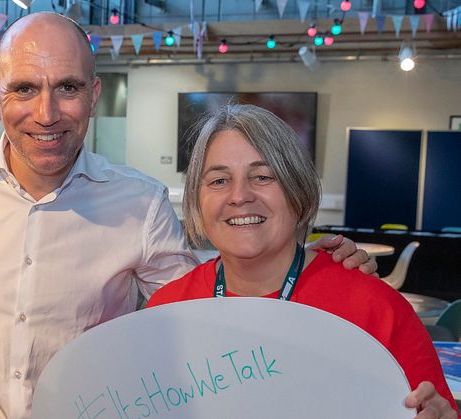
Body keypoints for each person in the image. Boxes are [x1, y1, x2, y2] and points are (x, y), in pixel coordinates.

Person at [0, 12, 374, 419]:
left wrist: (303, 266)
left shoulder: (141, 204)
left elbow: (207, 319)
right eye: (25, 88)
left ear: (93, 94)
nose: (47, 113)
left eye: (68, 87)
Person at [147, 104, 458, 418]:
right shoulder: (166, 311)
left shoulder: (373, 308)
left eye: (262, 176)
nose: (239, 196)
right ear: (196, 202)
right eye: (218, 181)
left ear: (300, 193)